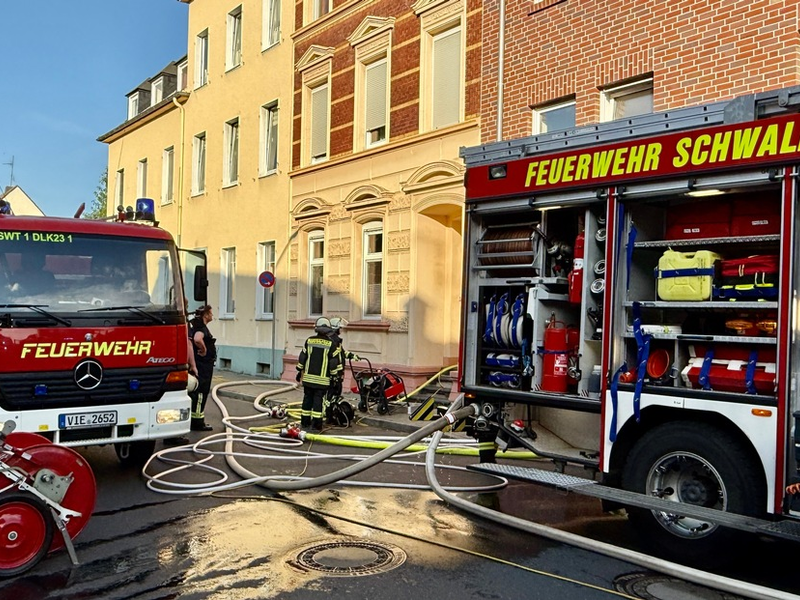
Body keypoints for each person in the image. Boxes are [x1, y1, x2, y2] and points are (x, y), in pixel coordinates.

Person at [296, 317, 343, 431]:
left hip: (308, 379)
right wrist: (335, 377)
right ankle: (316, 425)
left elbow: (302, 357)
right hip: (322, 381)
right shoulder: (331, 344)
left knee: (307, 400)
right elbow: (333, 363)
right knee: (318, 401)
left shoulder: (309, 341)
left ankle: (305, 423)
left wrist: (299, 370)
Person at [189, 305, 217, 431]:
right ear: (205, 315)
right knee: (201, 392)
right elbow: (197, 339)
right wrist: (204, 349)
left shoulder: (195, 326)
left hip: (201, 364)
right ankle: (198, 422)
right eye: (210, 313)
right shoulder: (201, 328)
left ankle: (194, 419)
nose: (212, 316)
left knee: (196, 392)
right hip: (203, 365)